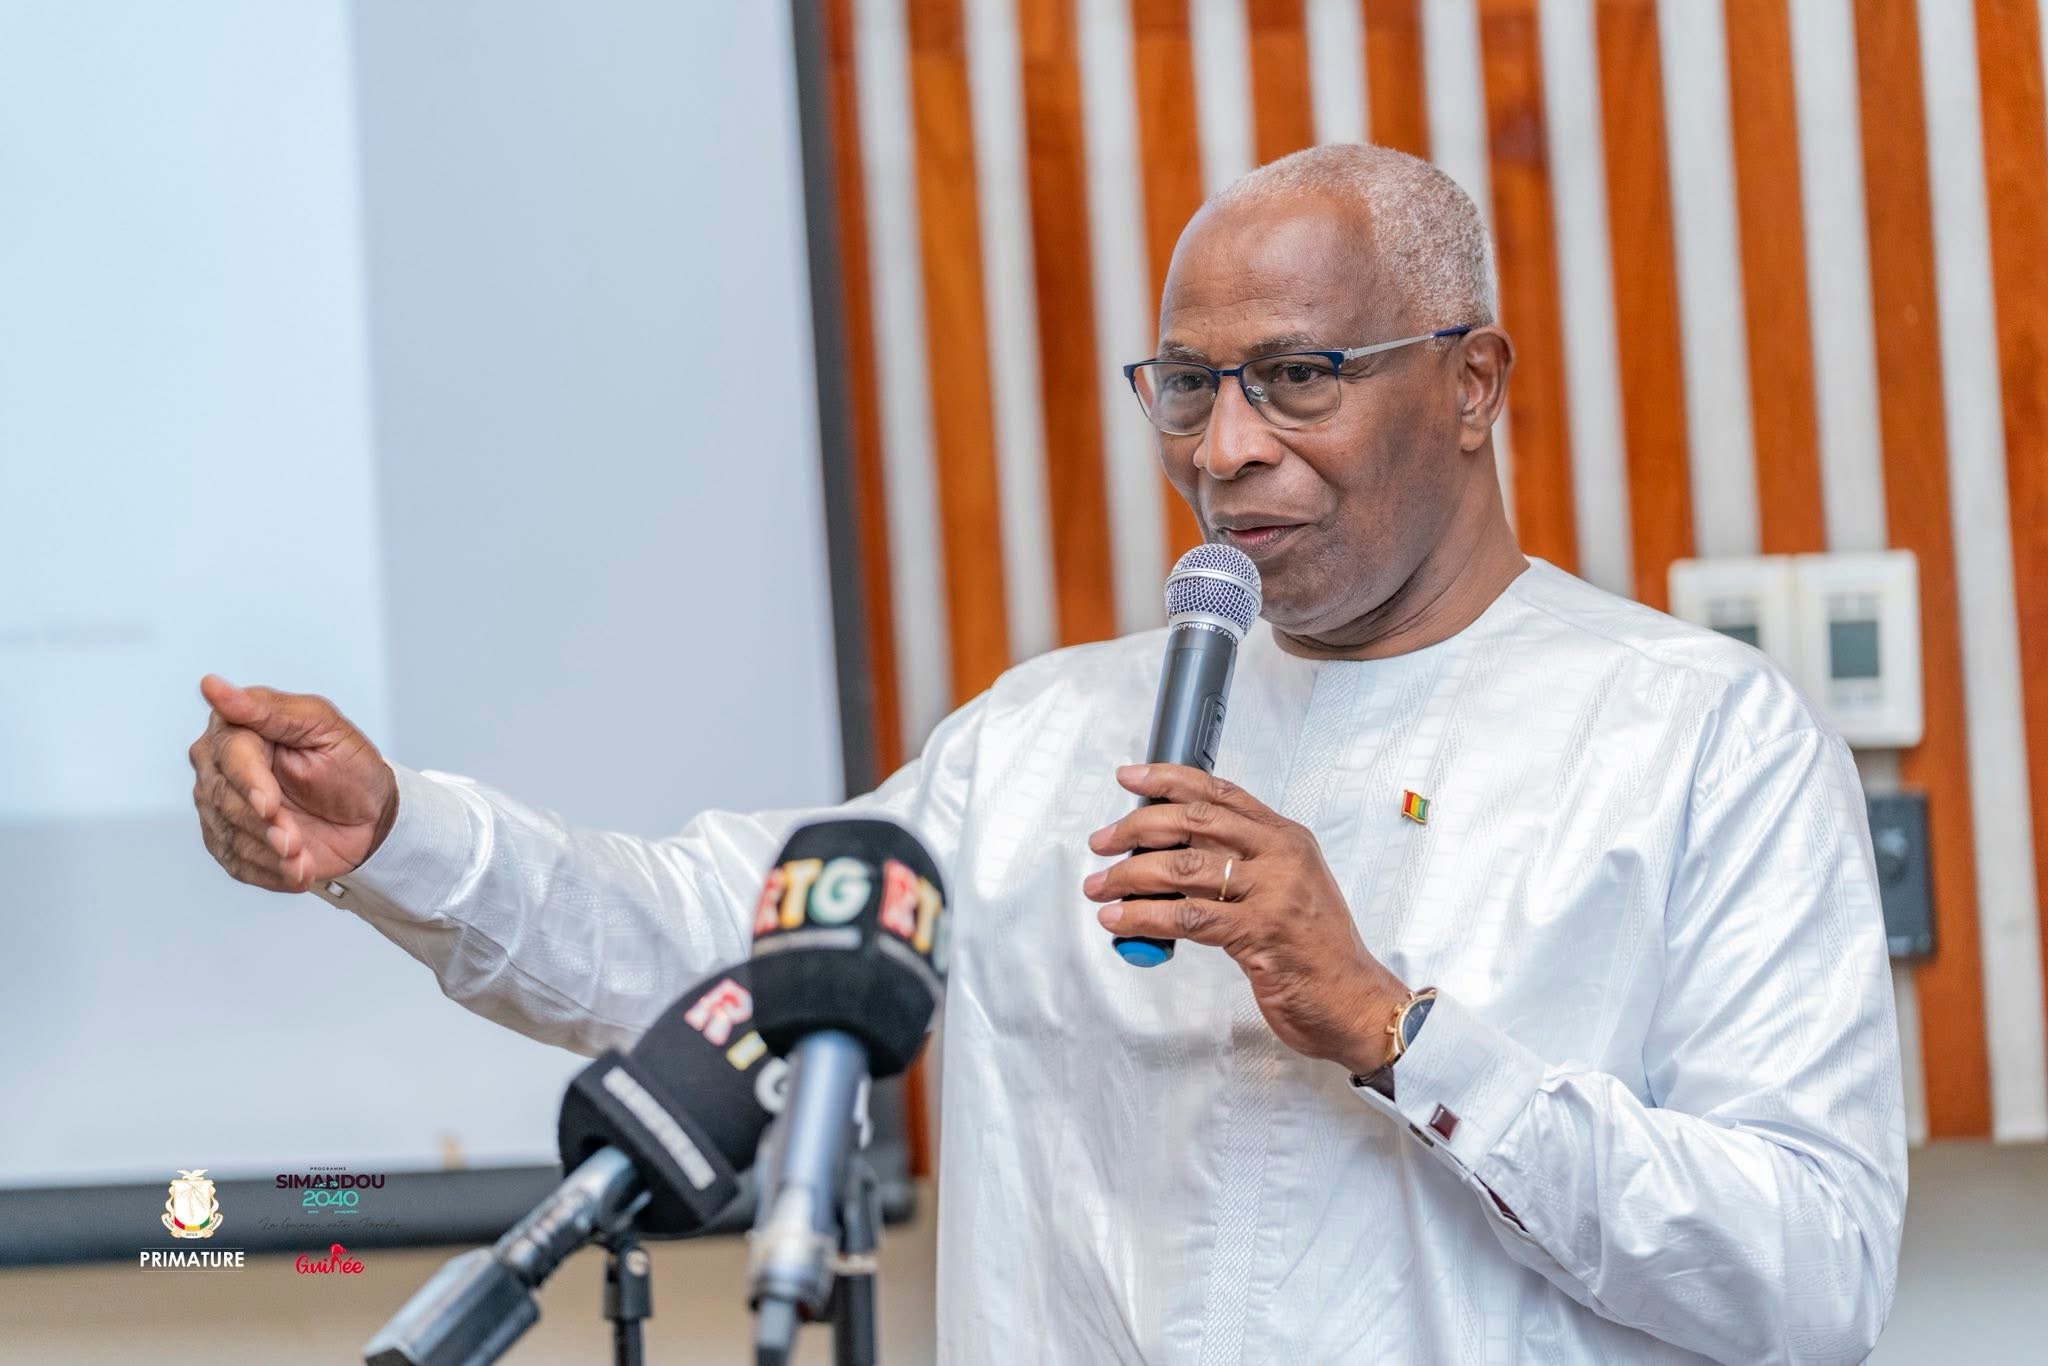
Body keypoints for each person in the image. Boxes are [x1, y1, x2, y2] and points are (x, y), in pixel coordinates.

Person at [189, 144, 1903, 1363]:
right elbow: (700, 935)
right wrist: (398, 832)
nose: (1227, 450)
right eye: (1188, 387)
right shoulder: (1044, 739)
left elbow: (1810, 1275)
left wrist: (1399, 1030)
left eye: (1298, 378)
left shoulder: (1699, 735)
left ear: (1472, 382)